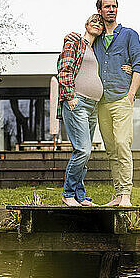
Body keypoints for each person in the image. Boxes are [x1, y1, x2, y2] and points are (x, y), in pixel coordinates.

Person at [93, 0, 140, 207]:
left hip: (121, 98)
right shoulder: (95, 38)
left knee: (123, 144)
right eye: (107, 7)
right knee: (112, 150)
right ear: (100, 11)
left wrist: (131, 94)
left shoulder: (129, 35)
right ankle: (118, 194)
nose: (111, 9)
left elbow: (139, 65)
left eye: (114, 6)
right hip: (101, 102)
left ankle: (126, 196)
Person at [56, 14, 105, 206]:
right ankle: (68, 194)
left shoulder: (95, 50)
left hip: (93, 106)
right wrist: (70, 96)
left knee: (85, 152)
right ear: (86, 25)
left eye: (100, 24)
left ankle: (80, 196)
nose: (98, 25)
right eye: (94, 21)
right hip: (78, 102)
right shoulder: (75, 41)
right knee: (82, 150)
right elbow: (65, 68)